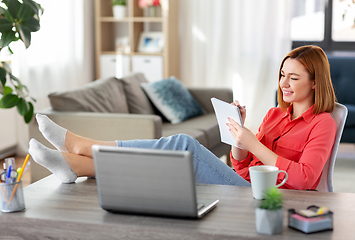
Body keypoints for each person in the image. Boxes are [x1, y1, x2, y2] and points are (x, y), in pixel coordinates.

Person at [29, 45, 336, 190]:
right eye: (282, 74)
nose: (283, 83)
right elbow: (241, 163)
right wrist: (239, 135)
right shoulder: (275, 114)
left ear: (314, 82)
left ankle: (84, 146)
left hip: (265, 194)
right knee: (167, 165)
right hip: (240, 180)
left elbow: (306, 178)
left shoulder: (322, 122)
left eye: (293, 78)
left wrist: (254, 143)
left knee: (182, 144)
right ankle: (76, 164)